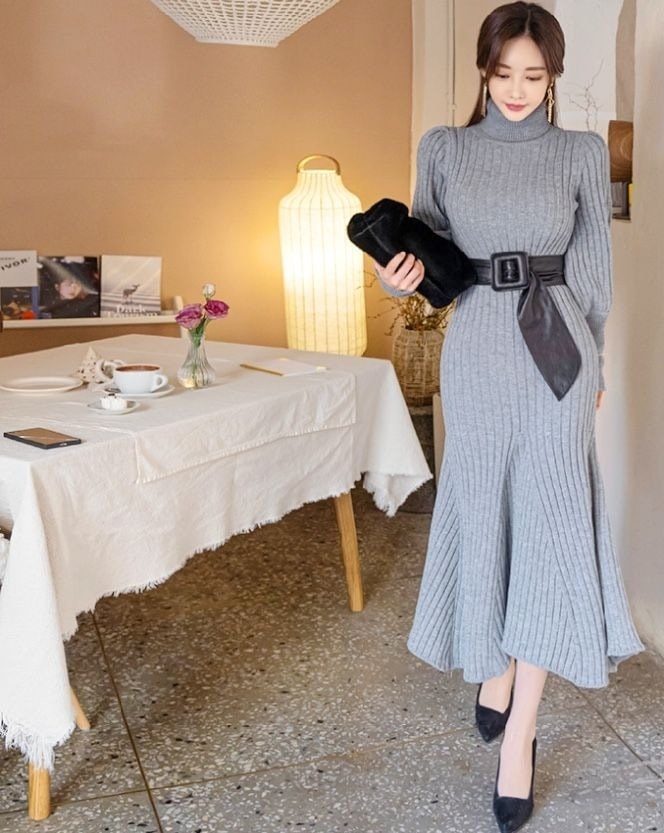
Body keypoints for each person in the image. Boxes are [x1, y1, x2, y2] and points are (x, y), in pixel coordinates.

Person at [375, 3, 644, 831]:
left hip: (557, 350)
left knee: (551, 525)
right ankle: (493, 665)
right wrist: (395, 276)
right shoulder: (444, 149)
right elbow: (430, 260)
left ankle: (520, 728)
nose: (519, 89)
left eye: (535, 74)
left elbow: (593, 271)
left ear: (553, 75)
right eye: (504, 73)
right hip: (479, 349)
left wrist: (595, 365)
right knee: (486, 511)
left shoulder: (579, 152)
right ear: (483, 70)